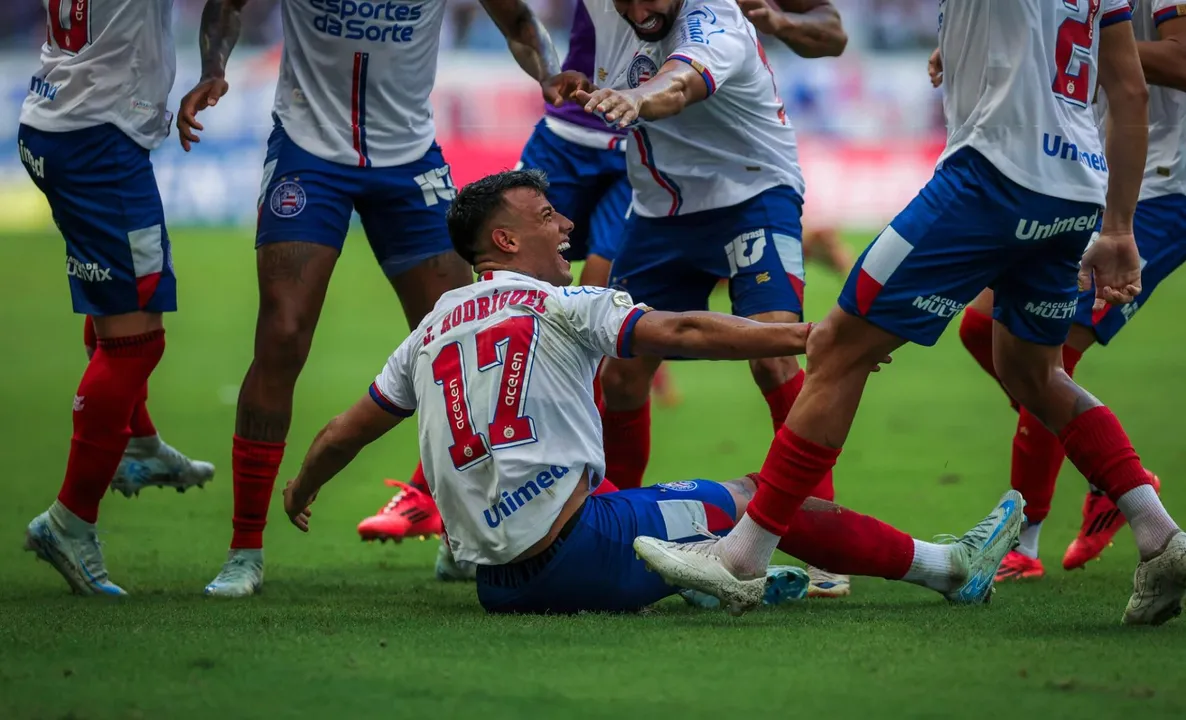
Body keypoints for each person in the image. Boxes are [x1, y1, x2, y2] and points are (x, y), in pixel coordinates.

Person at [635, 0, 1186, 627]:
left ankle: (740, 557)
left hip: (990, 177)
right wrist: (1117, 225)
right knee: (1033, 372)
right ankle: (1158, 533)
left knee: (837, 346)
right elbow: (1129, 88)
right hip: (1075, 188)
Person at [280, 169, 1023, 615]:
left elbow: (341, 433)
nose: (565, 225)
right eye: (545, 218)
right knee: (761, 496)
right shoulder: (560, 306)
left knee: (655, 510)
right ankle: (947, 567)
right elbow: (688, 333)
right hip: (578, 553)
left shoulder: (431, 328)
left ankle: (720, 574)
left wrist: (303, 488)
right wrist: (806, 336)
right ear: (503, 242)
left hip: (496, 585)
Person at [177, 0, 569, 597]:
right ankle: (244, 549)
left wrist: (547, 74)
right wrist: (213, 66)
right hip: (310, 152)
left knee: (466, 347)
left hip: (409, 158)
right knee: (282, 336)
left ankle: (460, 533)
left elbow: (517, 21)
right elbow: (227, 6)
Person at [353, 0, 681, 550]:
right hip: (567, 134)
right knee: (496, 317)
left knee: (598, 335)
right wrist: (549, 71)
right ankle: (431, 495)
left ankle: (607, 518)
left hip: (642, 147)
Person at [568, 0, 852, 597]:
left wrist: (636, 98)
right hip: (659, 211)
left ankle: (822, 540)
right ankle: (606, 532)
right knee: (619, 376)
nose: (639, 9)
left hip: (751, 190)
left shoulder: (716, 19)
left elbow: (678, 85)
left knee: (773, 354)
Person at [944, 0, 1186, 581]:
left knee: (1051, 356)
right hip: (1098, 174)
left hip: (1164, 186)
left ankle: (1023, 544)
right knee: (984, 328)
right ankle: (1114, 475)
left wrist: (1087, 47)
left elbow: (1180, 59)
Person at [18, 0, 214, 596]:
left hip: (60, 119)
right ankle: (69, 520)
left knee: (117, 302)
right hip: (98, 138)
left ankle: (139, 442)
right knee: (134, 342)